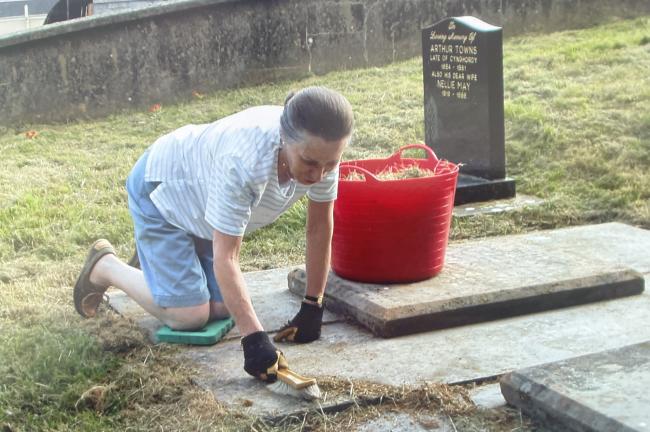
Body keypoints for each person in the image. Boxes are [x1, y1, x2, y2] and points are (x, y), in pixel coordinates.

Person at [73, 86, 354, 382]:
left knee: (221, 309)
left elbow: (319, 227)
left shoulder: (320, 150)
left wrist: (313, 303)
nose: (319, 175)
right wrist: (254, 339)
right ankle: (105, 267)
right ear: (284, 137)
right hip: (162, 189)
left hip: (204, 207)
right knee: (189, 315)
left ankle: (164, 260)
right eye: (310, 163)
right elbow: (227, 255)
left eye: (330, 164)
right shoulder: (245, 161)